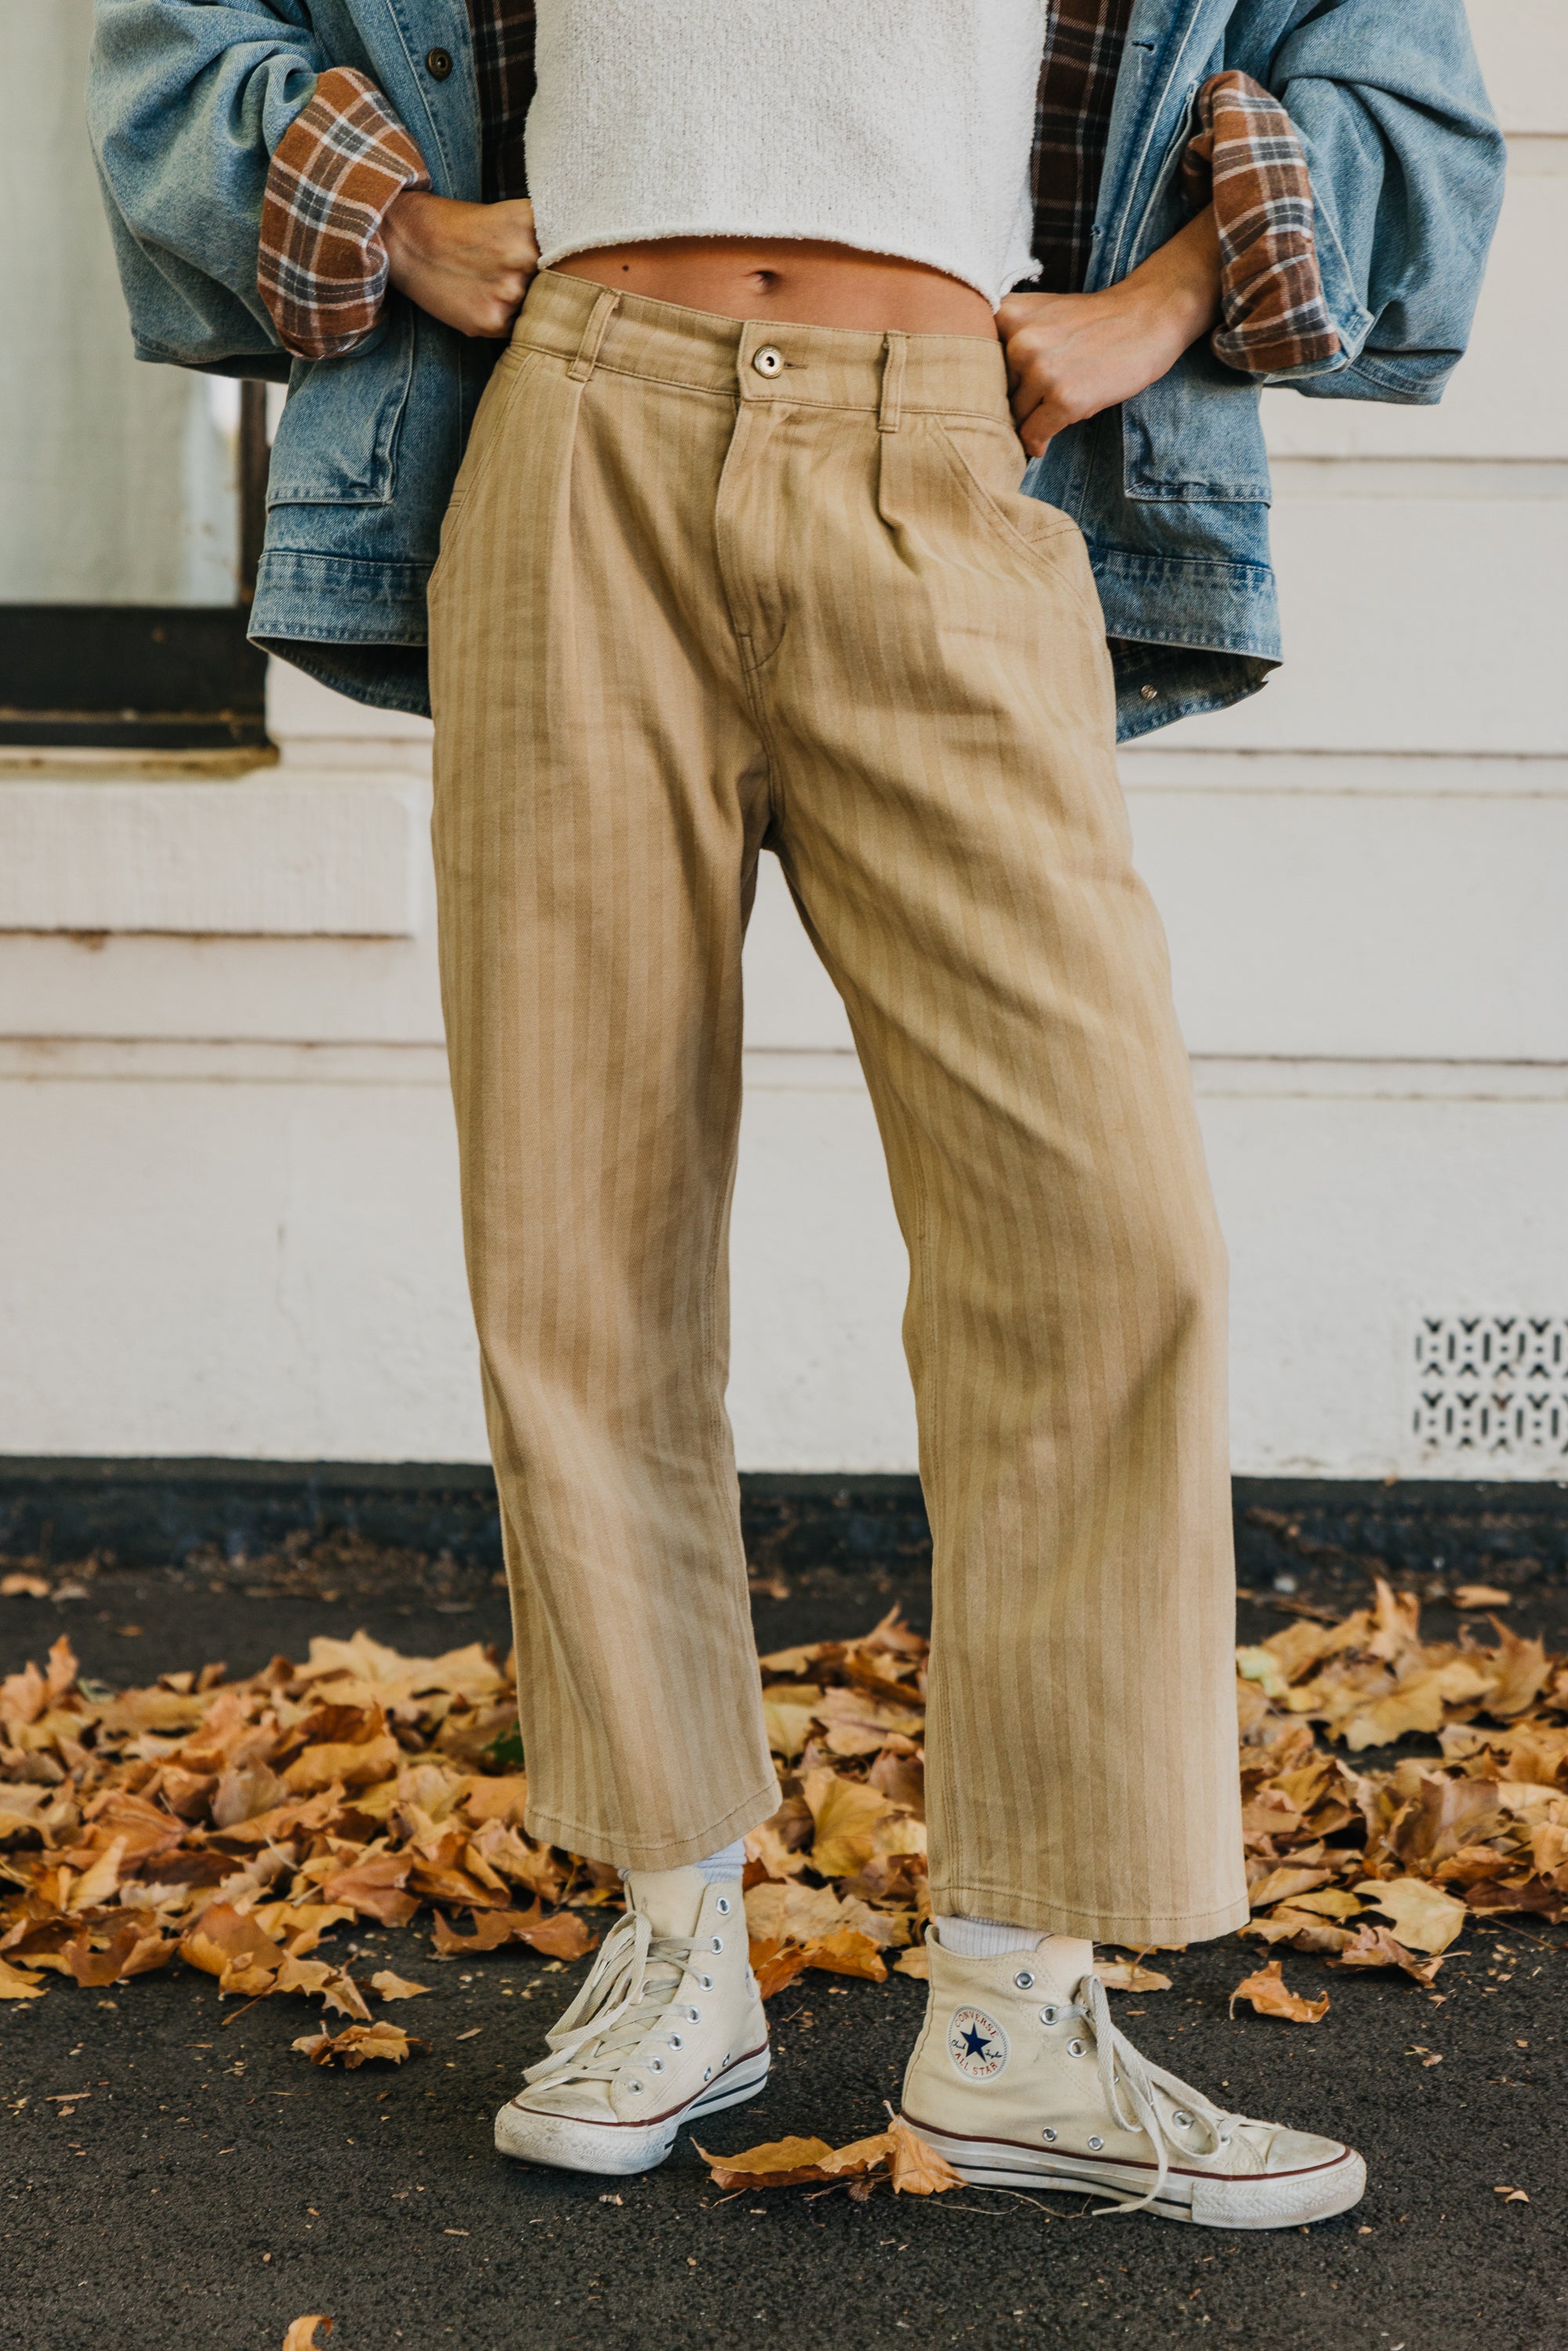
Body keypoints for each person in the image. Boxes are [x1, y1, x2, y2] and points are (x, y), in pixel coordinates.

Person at [89, 0, 1501, 2225]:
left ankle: (1018, 2008)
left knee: (1107, 1236)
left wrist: (1156, 311)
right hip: (570, 433)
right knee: (582, 1226)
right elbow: (186, 36)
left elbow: (1394, 77)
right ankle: (673, 1929)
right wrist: (405, 230)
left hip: (942, 438)